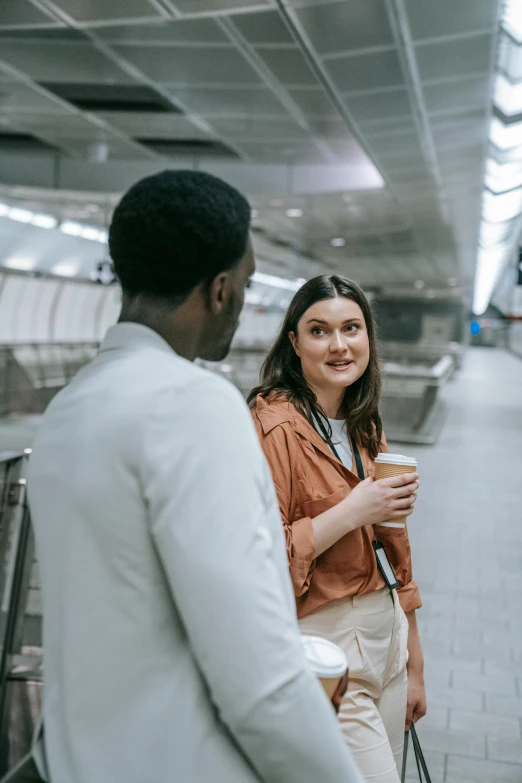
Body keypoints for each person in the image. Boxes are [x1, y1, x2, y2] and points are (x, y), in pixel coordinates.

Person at [26, 172, 365, 783]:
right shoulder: (193, 405)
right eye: (246, 283)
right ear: (219, 290)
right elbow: (257, 679)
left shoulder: (66, 412)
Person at [249, 275, 427, 783]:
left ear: (368, 335)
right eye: (319, 331)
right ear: (294, 342)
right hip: (327, 648)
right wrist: (353, 509)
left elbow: (396, 550)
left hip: (386, 635)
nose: (339, 345)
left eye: (351, 328)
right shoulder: (273, 427)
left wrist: (414, 661)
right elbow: (265, 559)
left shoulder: (363, 421)